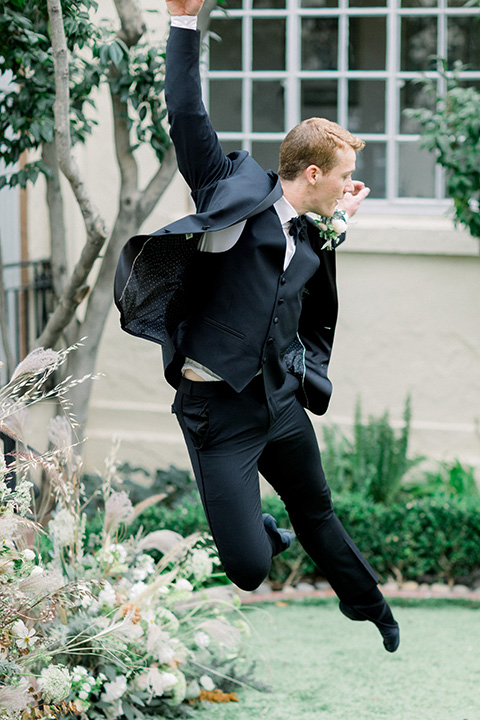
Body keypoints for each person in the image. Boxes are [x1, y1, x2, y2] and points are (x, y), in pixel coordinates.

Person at [114, 0, 400, 653]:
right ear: (311, 174)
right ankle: (260, 534)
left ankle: (370, 606)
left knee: (318, 510)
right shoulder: (229, 193)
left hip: (278, 398)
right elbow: (188, 114)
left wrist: (342, 220)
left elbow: (306, 260)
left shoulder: (317, 230)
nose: (352, 187)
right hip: (217, 413)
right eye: (346, 179)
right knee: (249, 569)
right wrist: (183, 25)